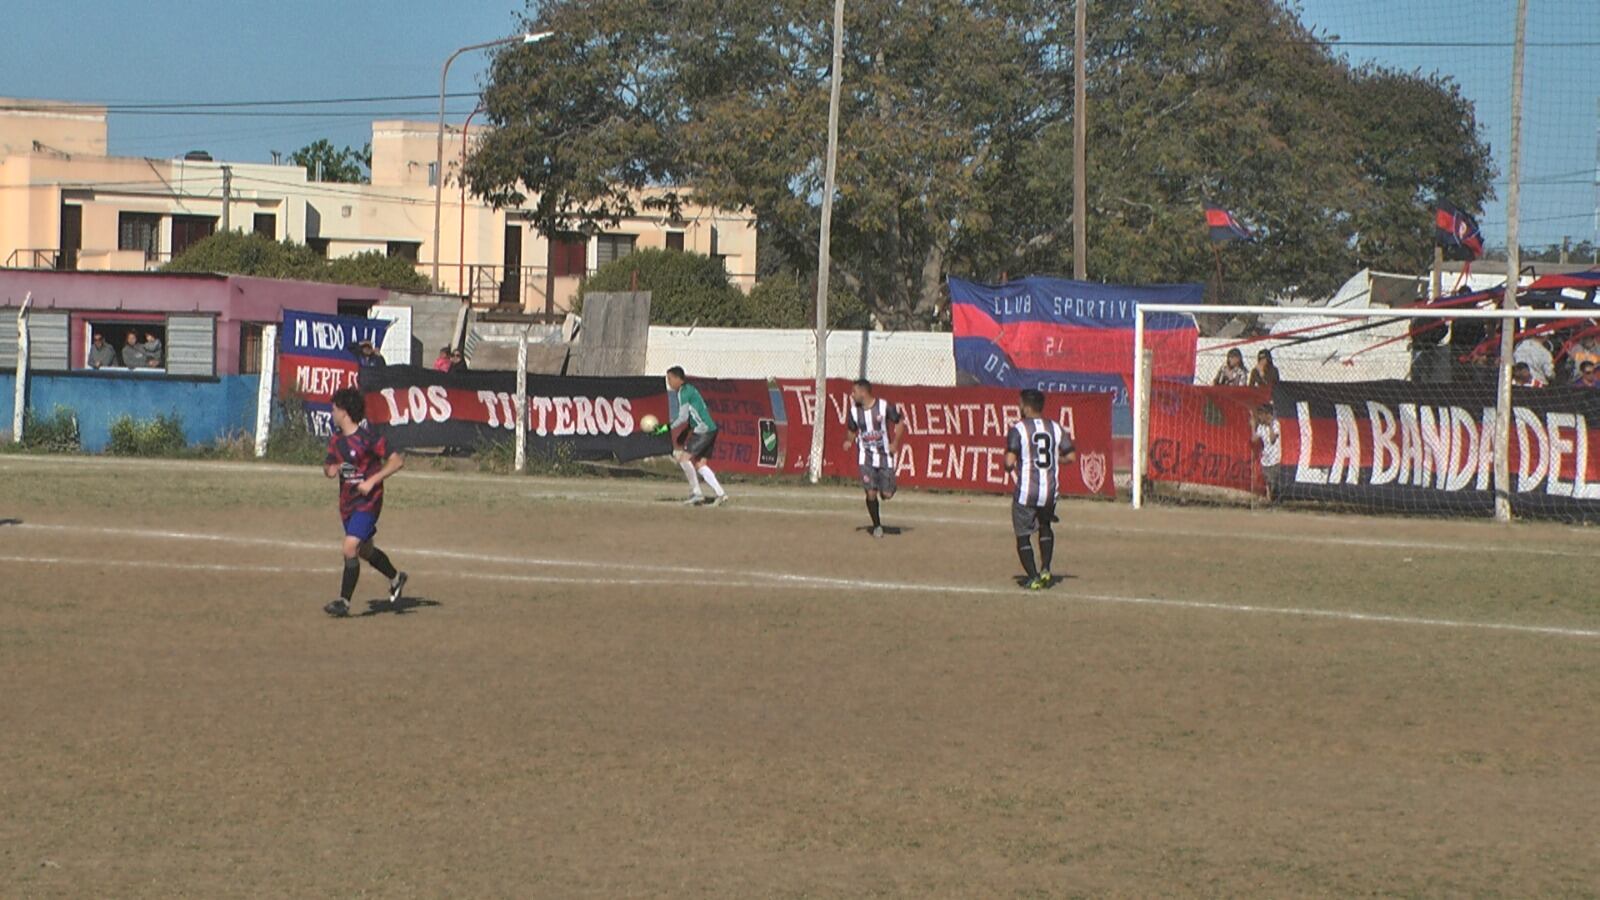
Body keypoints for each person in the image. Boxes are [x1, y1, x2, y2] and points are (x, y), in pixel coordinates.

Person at [321, 387, 407, 618]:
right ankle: (396, 578)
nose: (332, 412)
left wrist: (372, 481)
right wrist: (334, 469)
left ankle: (344, 602)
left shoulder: (368, 439)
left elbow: (397, 461)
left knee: (349, 547)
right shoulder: (336, 441)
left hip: (368, 503)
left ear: (344, 412)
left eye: (334, 408)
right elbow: (328, 468)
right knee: (365, 550)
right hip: (347, 505)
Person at [1004, 389, 1075, 591]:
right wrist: (1054, 460)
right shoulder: (1055, 427)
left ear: (1026, 407)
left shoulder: (1018, 429)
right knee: (1045, 527)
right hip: (1050, 492)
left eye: (1020, 404)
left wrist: (1011, 462)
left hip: (1027, 491)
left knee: (1023, 534)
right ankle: (1045, 569)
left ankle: (1033, 577)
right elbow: (1071, 457)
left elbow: (1009, 463)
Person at [841, 378, 908, 538]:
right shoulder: (854, 412)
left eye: (854, 392)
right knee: (870, 493)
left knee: (886, 494)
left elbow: (899, 423)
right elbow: (851, 430)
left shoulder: (884, 407)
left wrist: (895, 442)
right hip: (866, 457)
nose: (852, 395)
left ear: (863, 392)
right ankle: (877, 525)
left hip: (884, 456)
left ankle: (887, 487)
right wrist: (849, 441)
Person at [663, 366, 727, 506]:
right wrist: (686, 432)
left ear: (678, 379)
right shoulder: (690, 389)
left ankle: (696, 493)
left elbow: (682, 417)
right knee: (700, 464)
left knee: (683, 458)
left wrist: (665, 428)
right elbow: (694, 415)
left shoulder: (683, 392)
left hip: (703, 430)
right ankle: (720, 494)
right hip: (710, 428)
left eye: (670, 379)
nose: (668, 382)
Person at [1251, 404, 1284, 503]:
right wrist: (1253, 426)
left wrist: (1270, 426)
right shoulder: (1261, 427)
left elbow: (1272, 439)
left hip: (1275, 458)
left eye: (1261, 415)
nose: (1260, 417)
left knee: (1273, 481)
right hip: (1266, 458)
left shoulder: (1276, 424)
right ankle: (1269, 499)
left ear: (1267, 415)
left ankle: (1273, 499)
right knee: (1267, 481)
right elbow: (1254, 439)